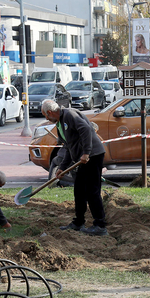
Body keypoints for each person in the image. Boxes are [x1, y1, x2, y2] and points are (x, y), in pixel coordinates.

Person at [41, 99, 107, 236]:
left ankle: (100, 225)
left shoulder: (69, 114)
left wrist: (86, 153)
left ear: (49, 112)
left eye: (45, 116)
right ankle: (78, 222)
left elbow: (86, 129)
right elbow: (69, 147)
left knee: (92, 191)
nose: (46, 119)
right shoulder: (59, 124)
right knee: (79, 190)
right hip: (84, 158)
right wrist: (62, 167)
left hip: (93, 155)